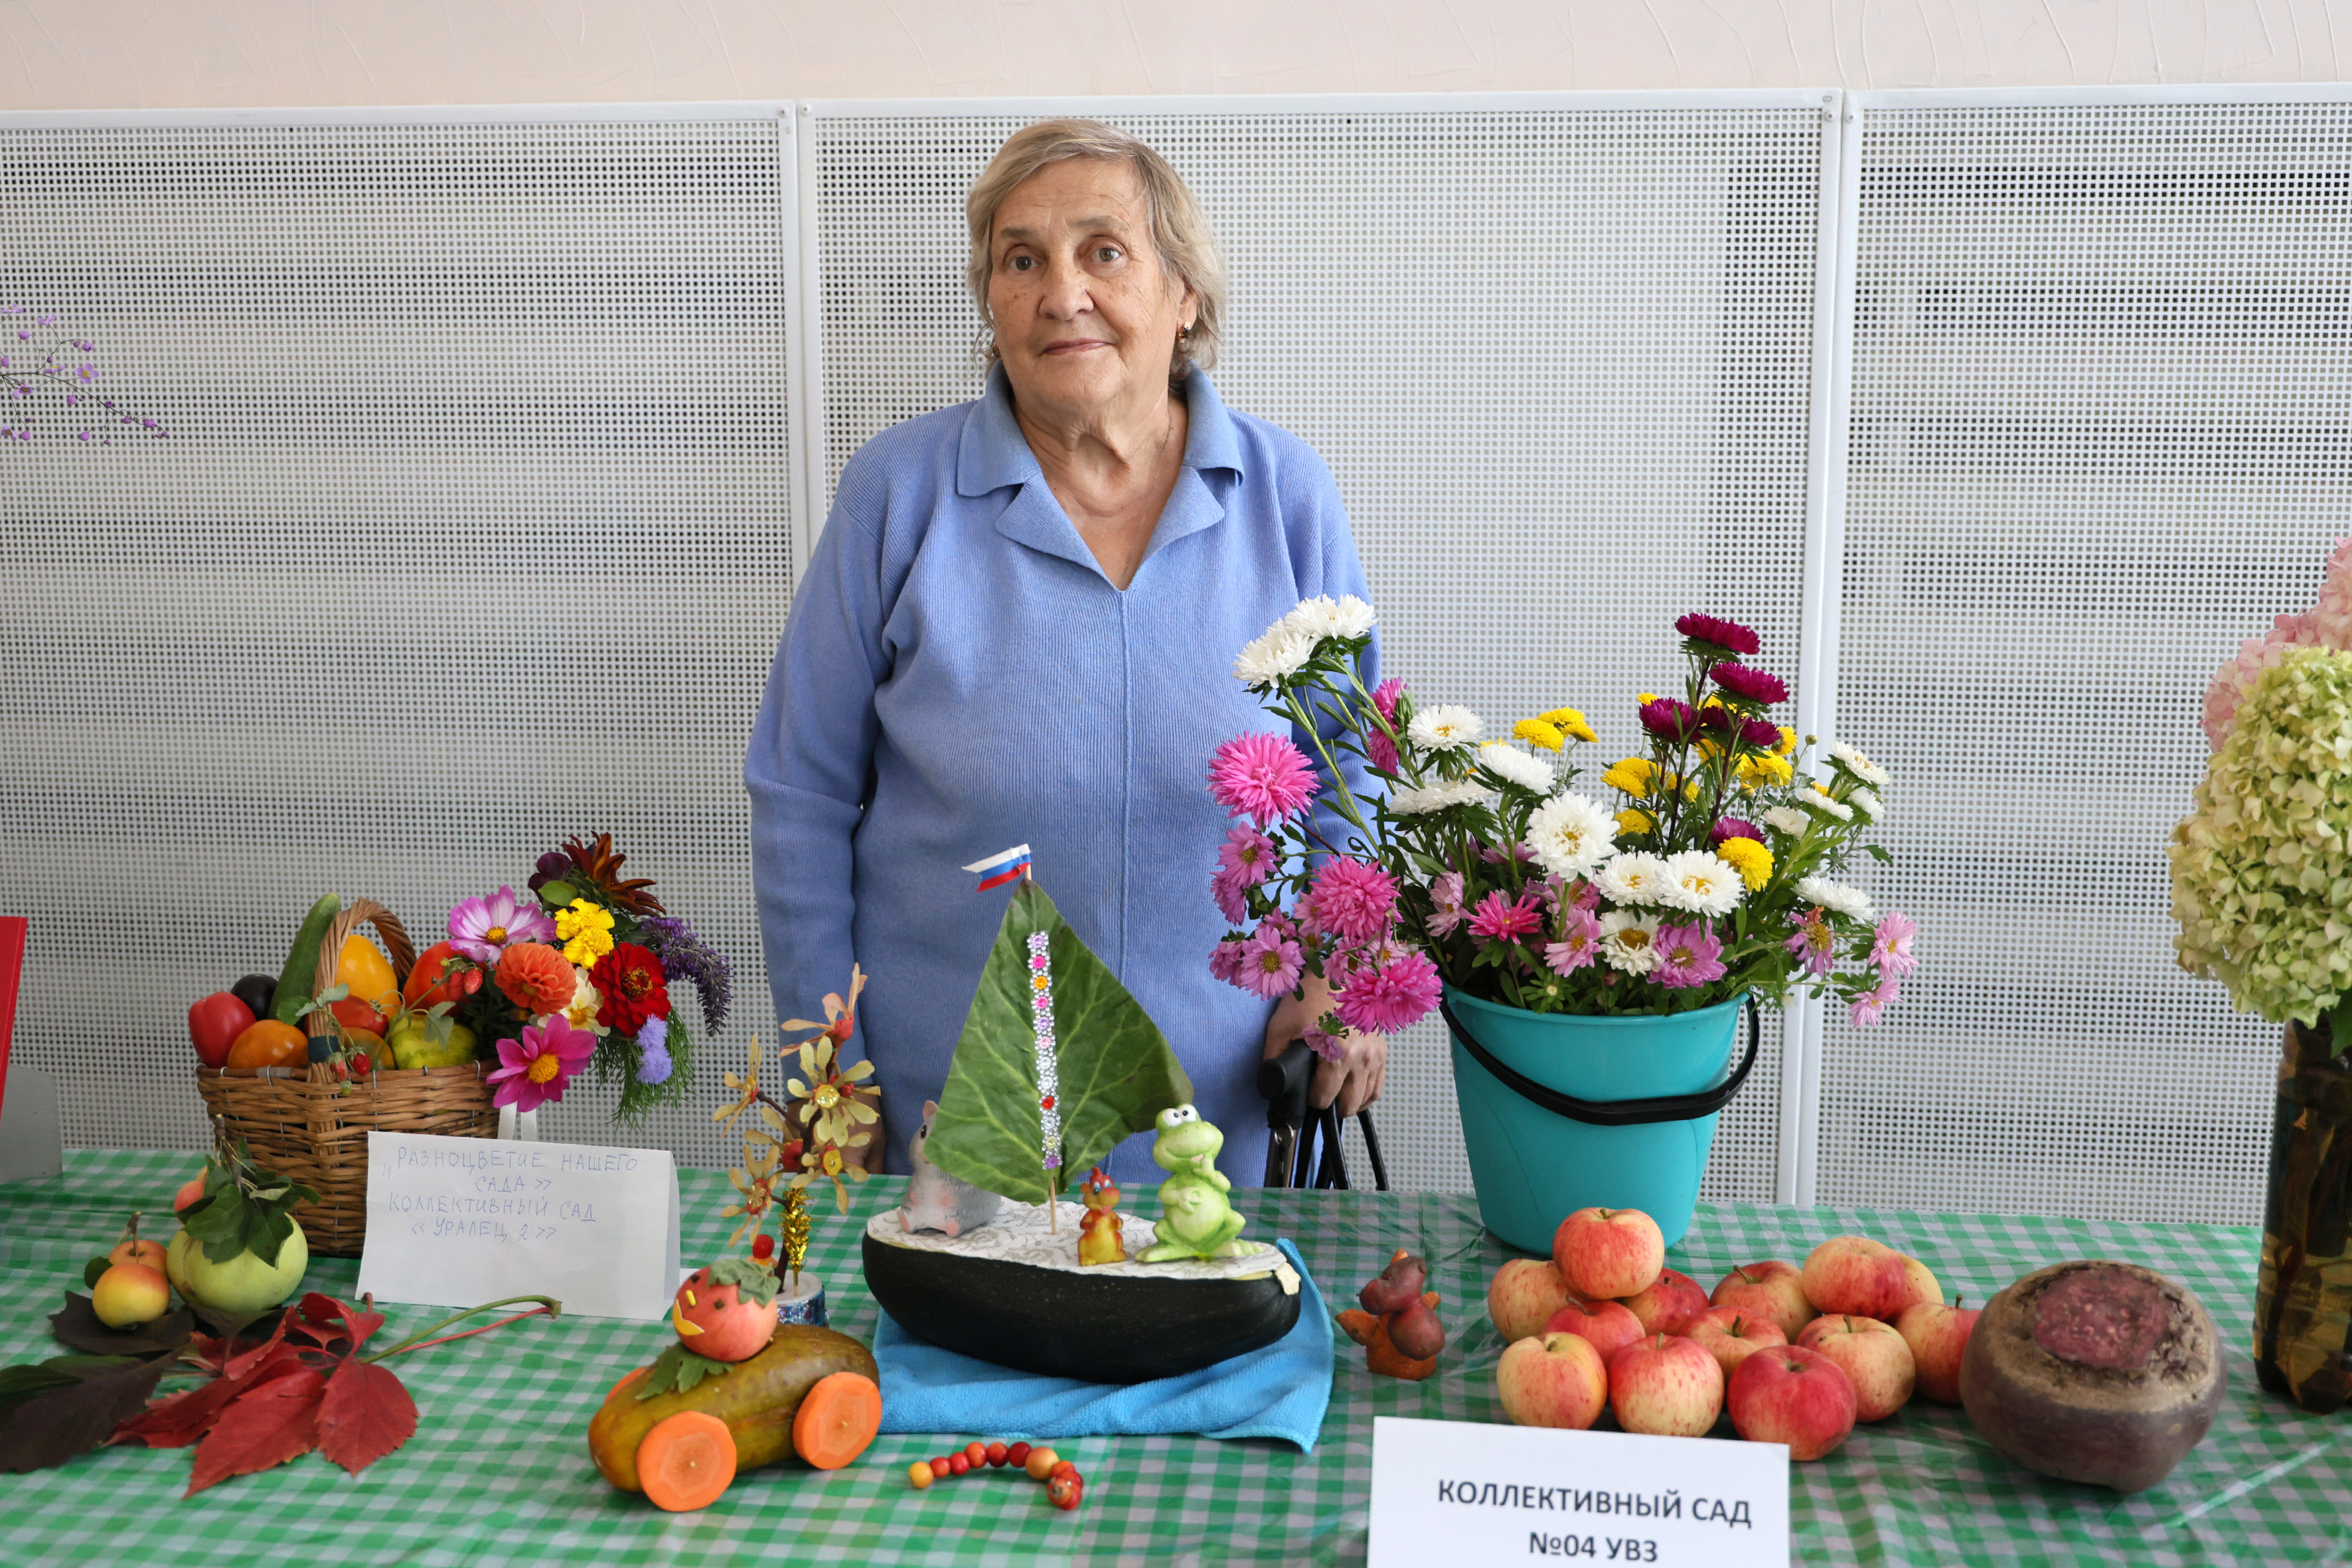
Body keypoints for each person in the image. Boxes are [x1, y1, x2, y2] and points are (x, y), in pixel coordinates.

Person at [747, 118, 1384, 1185]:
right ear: (989, 300)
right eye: (1021, 258)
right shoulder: (895, 497)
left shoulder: (1287, 497)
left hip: (1226, 1131)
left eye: (1105, 251)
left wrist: (1341, 971)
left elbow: (1350, 772)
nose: (1062, 292)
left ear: (1185, 294)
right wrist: (830, 1070)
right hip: (948, 1129)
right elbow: (798, 793)